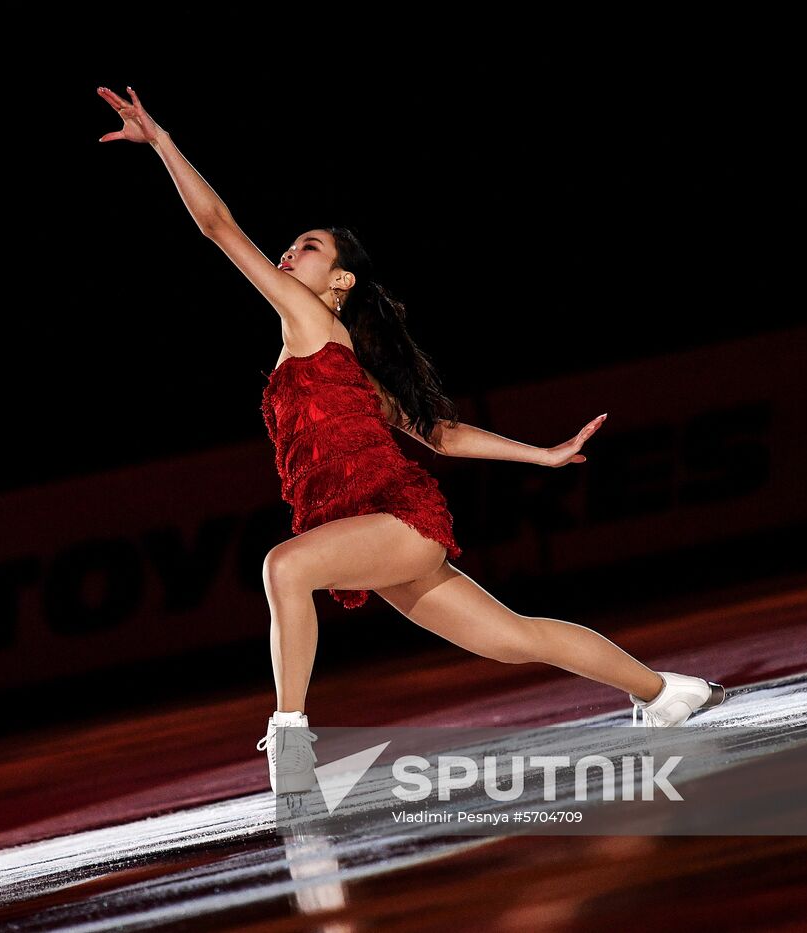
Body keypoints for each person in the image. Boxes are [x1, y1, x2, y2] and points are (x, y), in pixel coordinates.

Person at [96, 85, 725, 794]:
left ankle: (292, 738)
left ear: (338, 280)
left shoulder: (309, 318)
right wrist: (539, 452)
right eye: (292, 243)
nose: (287, 252)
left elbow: (217, 227)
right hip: (372, 527)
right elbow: (441, 434)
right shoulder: (341, 358)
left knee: (283, 567)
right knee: (514, 637)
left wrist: (163, 143)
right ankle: (666, 690)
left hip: (395, 518)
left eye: (307, 247)